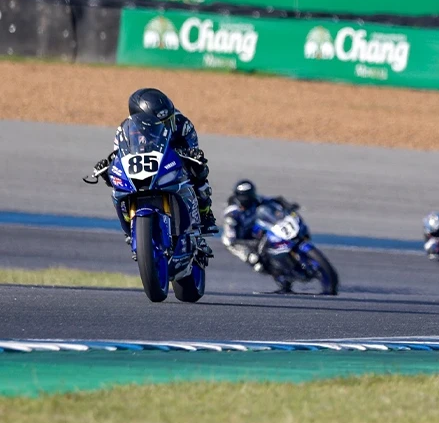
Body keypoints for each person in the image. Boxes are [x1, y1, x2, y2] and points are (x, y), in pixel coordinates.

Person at [92, 88, 218, 237]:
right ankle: (130, 221)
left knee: (198, 169)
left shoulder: (183, 125)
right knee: (118, 183)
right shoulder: (125, 131)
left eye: (169, 120)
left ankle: (205, 213)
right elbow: (121, 153)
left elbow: (193, 148)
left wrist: (192, 155)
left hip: (173, 158)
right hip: (146, 164)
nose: (169, 125)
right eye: (163, 123)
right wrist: (109, 167)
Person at [221, 180, 301, 282]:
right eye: (245, 196)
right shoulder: (232, 214)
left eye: (250, 195)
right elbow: (231, 240)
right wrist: (250, 244)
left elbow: (275, 200)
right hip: (238, 241)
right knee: (255, 261)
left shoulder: (255, 200)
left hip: (253, 230)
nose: (248, 198)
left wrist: (287, 205)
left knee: (271, 237)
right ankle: (280, 278)